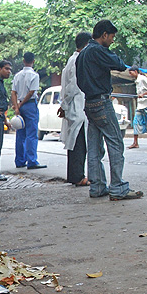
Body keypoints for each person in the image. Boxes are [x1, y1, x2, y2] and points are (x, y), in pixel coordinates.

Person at [76, 19, 143, 201]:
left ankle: (97, 187)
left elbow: (80, 81)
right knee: (116, 143)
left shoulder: (82, 54)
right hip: (101, 102)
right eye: (112, 37)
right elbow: (118, 64)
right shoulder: (97, 50)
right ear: (104, 35)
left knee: (95, 148)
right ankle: (118, 188)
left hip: (89, 103)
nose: (112, 40)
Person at [58, 32, 91, 186]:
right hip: (77, 107)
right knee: (78, 144)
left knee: (75, 143)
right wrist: (64, 105)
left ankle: (75, 175)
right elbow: (72, 87)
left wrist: (63, 105)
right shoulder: (79, 60)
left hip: (74, 106)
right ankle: (78, 176)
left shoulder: (72, 60)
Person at [11, 52, 46, 170]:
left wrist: (16, 106)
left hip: (20, 105)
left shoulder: (17, 75)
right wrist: (21, 104)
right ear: (33, 61)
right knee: (31, 134)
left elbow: (13, 92)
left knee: (20, 134)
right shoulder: (34, 75)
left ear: (23, 60)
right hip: (29, 105)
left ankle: (20, 160)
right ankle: (32, 161)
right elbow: (31, 92)